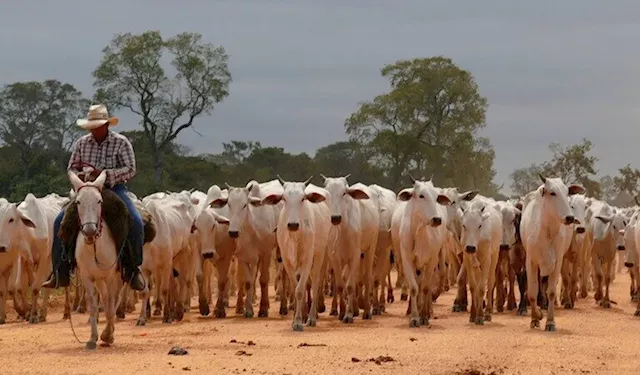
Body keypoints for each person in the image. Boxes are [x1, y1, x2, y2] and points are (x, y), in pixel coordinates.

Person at [42, 104, 145, 291]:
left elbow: (130, 169)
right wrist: (79, 177)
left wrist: (105, 174)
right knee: (59, 221)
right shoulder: (82, 143)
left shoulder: (121, 142)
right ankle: (60, 271)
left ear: (106, 125)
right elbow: (71, 167)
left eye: (97, 125)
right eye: (92, 126)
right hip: (86, 189)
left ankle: (132, 269)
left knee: (136, 221)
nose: (94, 129)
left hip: (114, 189)